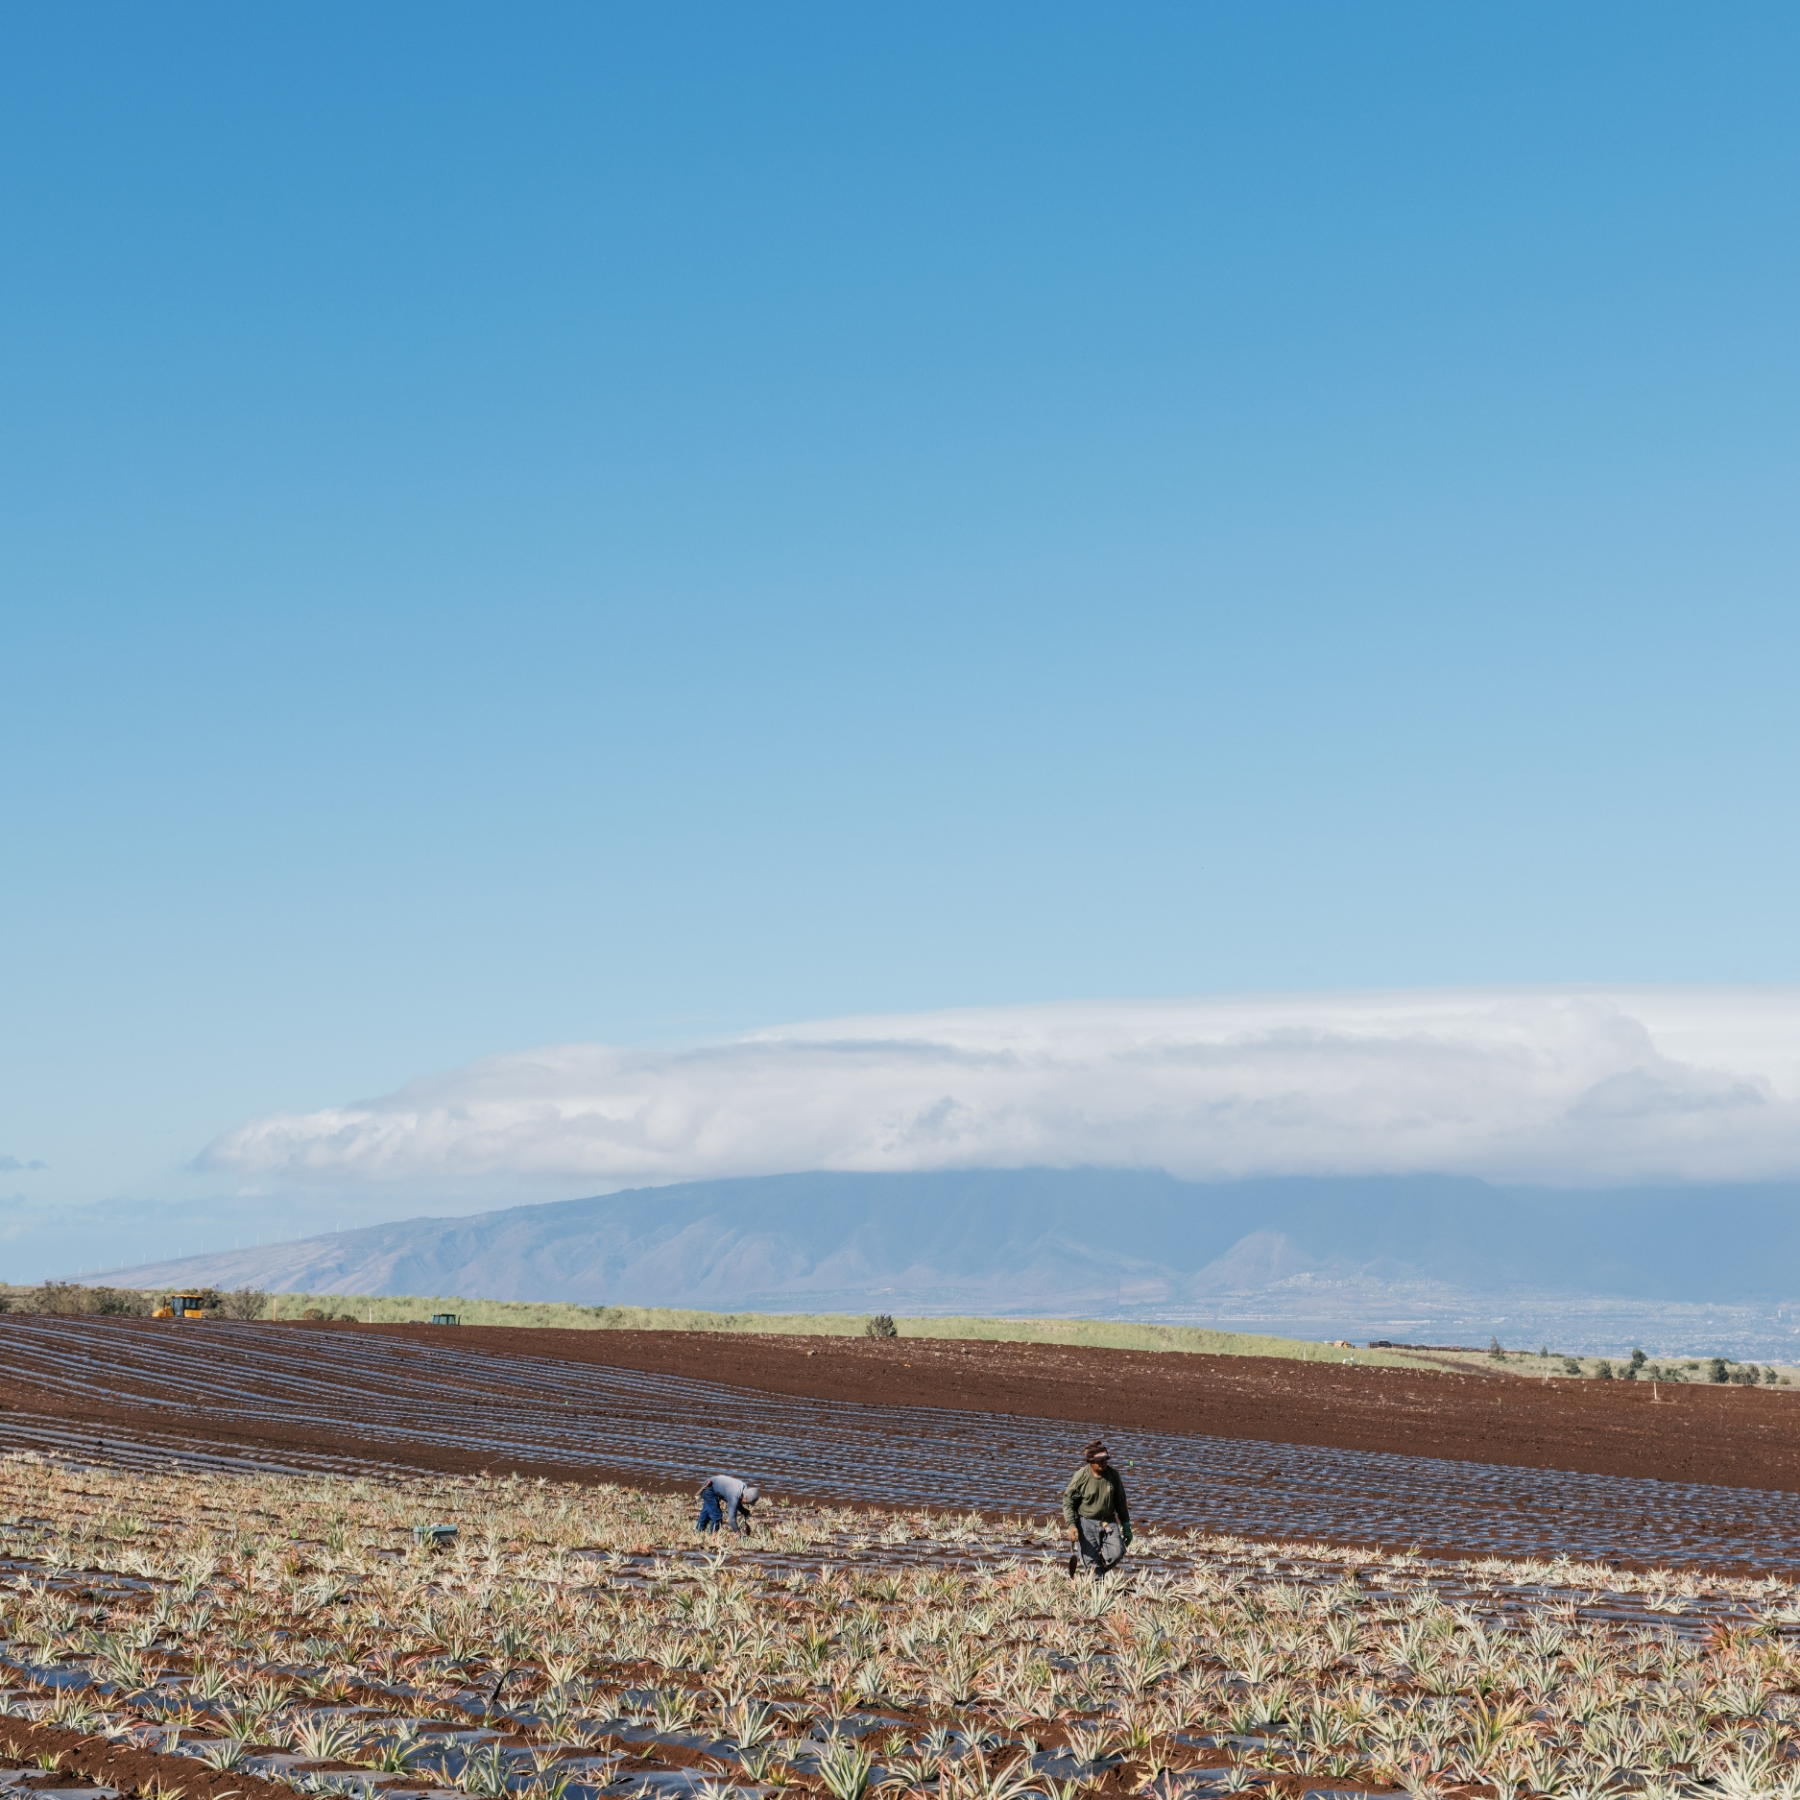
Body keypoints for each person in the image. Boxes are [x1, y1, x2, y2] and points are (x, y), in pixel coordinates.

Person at [1061, 1438, 1131, 1575]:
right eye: (1100, 1460)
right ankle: (1096, 1585)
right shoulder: (1081, 1477)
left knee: (1117, 1552)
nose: (1104, 1463)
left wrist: (1126, 1524)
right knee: (1092, 1566)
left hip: (1108, 1521)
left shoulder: (1113, 1476)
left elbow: (1121, 1501)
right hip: (1086, 1523)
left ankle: (1098, 1569)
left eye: (1106, 1460)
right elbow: (1068, 1501)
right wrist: (1071, 1525)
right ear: (1091, 1461)